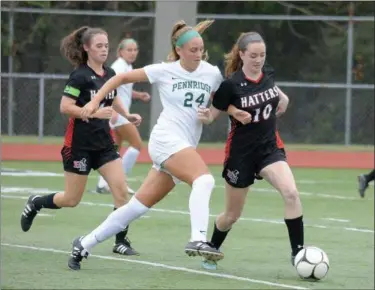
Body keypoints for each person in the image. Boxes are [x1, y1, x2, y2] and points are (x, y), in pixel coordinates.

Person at [66, 19, 226, 271]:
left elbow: (223, 100)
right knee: (204, 180)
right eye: (193, 50)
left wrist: (212, 115)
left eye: (201, 49)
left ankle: (84, 243)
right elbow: (117, 79)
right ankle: (198, 239)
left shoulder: (212, 73)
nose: (198, 54)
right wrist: (95, 101)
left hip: (185, 146)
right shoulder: (164, 70)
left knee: (135, 208)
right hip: (165, 139)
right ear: (179, 50)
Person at [20, 26, 142, 257]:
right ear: (86, 48)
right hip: (79, 146)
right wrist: (94, 113)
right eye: (99, 46)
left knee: (121, 193)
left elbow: (112, 98)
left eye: (106, 45)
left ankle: (120, 241)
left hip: (104, 144)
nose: (104, 50)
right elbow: (65, 107)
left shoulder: (110, 75)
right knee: (71, 199)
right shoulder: (79, 76)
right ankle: (36, 202)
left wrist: (127, 116)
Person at [196, 32, 304, 270]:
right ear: (242, 54)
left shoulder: (268, 74)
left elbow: (273, 91)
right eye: (253, 55)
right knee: (231, 216)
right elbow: (211, 117)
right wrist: (205, 116)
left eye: (262, 55)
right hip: (241, 154)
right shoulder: (230, 85)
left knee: (291, 194)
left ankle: (298, 253)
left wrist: (282, 98)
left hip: (269, 149)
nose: (258, 60)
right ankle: (212, 247)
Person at [96, 38, 151, 195]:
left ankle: (103, 184)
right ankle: (119, 182)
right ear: (120, 52)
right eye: (129, 50)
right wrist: (113, 111)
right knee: (136, 144)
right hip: (119, 114)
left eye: (135, 50)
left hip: (121, 113)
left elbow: (123, 91)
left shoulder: (127, 66)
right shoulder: (118, 67)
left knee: (114, 150)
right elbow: (107, 89)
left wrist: (139, 95)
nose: (133, 53)